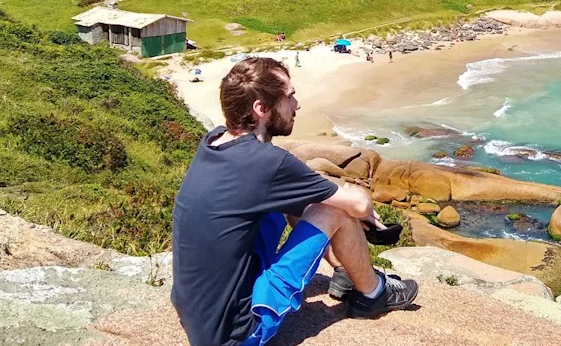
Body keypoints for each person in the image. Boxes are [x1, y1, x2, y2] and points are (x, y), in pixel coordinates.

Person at [171, 57, 418, 346]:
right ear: (261, 108)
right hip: (236, 335)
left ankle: (343, 270)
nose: (297, 105)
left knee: (290, 200)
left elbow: (289, 187)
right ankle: (373, 295)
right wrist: (356, 195)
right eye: (289, 97)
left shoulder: (214, 141)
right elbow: (359, 206)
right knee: (332, 210)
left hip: (200, 318)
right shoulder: (267, 162)